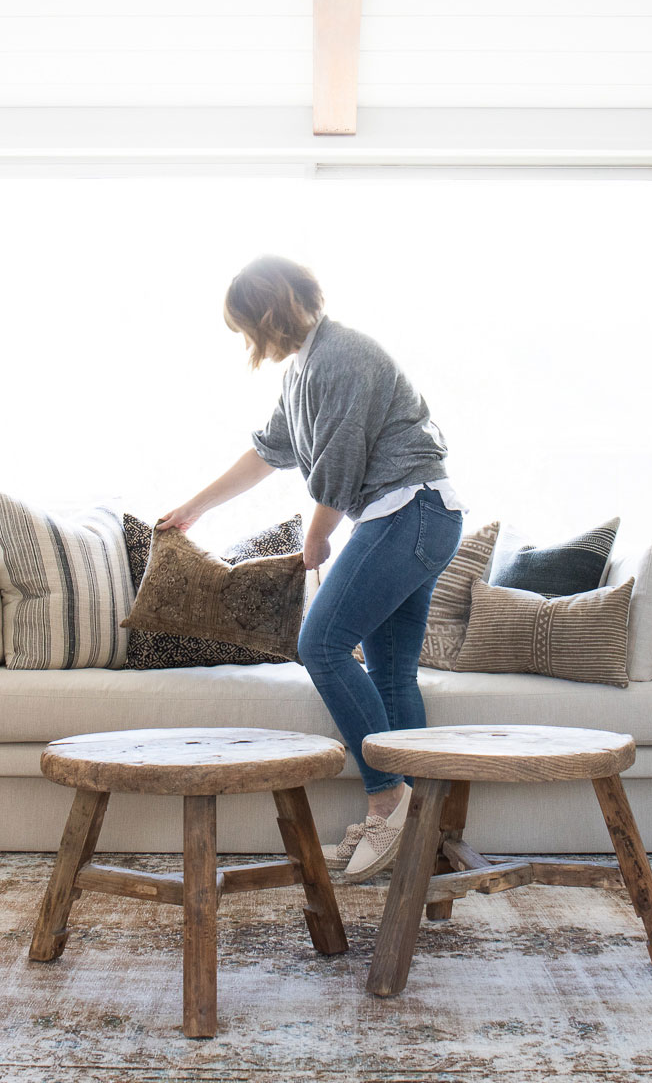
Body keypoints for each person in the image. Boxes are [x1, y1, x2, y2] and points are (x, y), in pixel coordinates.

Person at [158, 256, 463, 880]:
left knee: (320, 644)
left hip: (410, 511)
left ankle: (388, 800)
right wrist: (194, 508)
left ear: (270, 312)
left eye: (248, 325)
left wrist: (318, 538)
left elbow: (340, 466)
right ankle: (419, 832)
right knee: (390, 672)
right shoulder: (304, 370)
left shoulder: (342, 356)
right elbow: (267, 452)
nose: (250, 341)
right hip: (413, 516)